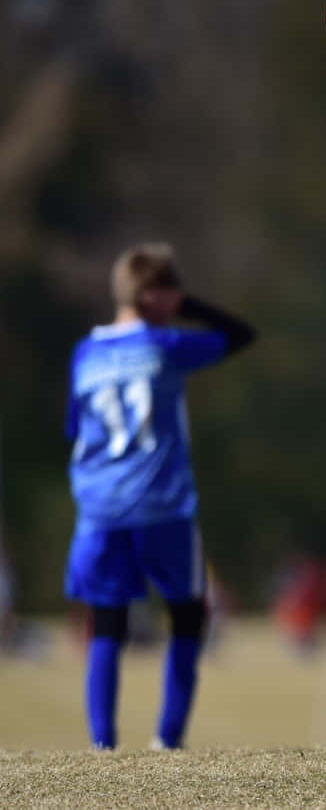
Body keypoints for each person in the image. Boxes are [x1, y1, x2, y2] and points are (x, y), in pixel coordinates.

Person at [64, 242, 255, 749]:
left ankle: (102, 743)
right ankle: (167, 738)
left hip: (98, 506)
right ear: (154, 296)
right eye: (171, 288)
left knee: (106, 620)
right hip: (160, 502)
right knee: (189, 613)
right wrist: (188, 308)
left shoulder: (85, 352)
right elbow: (241, 336)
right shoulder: (164, 345)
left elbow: (74, 429)